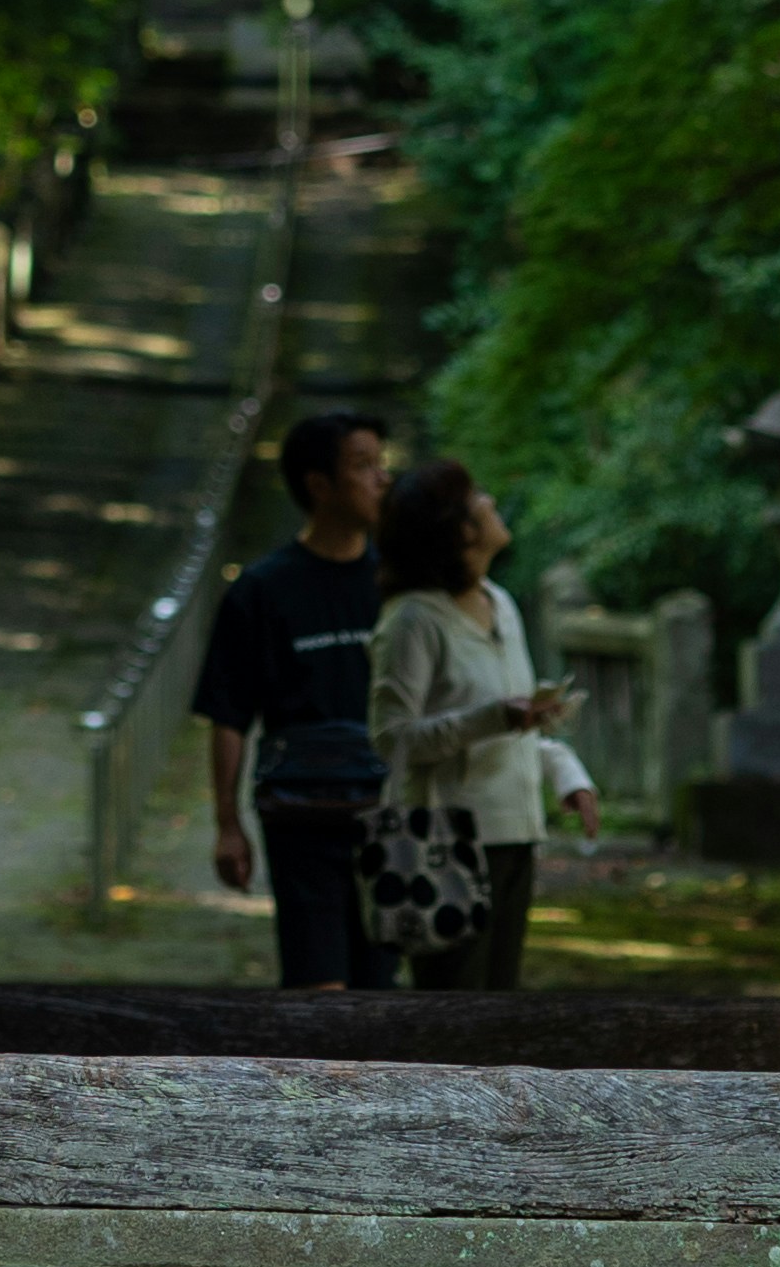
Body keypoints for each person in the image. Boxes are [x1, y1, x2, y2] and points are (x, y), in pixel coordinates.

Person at [199, 408, 394, 991]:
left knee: (383, 985)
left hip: (389, 814)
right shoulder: (262, 589)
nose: (381, 479)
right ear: (319, 485)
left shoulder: (399, 584)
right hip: (300, 816)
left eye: (382, 465)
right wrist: (227, 825)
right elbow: (228, 715)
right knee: (318, 987)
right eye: (363, 466)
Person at [369, 456, 562, 990]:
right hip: (446, 843)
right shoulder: (413, 619)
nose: (491, 501)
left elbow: (515, 723)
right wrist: (494, 717)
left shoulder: (501, 603)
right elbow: (392, 737)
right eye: (477, 496)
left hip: (517, 834)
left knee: (499, 1004)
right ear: (456, 528)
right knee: (450, 1012)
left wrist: (568, 777)